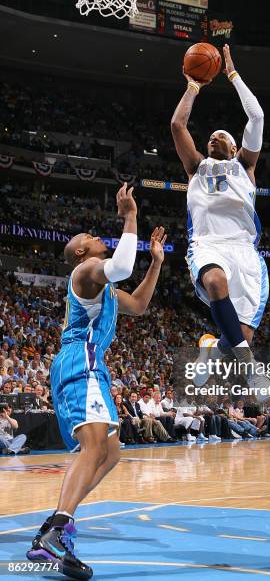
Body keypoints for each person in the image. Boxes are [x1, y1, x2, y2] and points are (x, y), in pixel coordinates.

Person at [26, 183, 166, 579]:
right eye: (86, 237)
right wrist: (130, 217)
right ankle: (56, 529)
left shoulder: (104, 290)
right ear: (83, 252)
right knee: (93, 446)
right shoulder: (84, 271)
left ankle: (57, 528)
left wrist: (154, 262)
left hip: (92, 365)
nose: (93, 235)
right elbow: (120, 266)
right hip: (79, 362)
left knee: (111, 452)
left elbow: (138, 305)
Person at [171, 44, 270, 397]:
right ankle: (251, 369)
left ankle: (211, 347)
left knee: (238, 338)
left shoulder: (245, 166)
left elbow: (256, 117)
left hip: (244, 250)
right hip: (208, 243)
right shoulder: (196, 166)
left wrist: (232, 74)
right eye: (211, 136)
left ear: (234, 148)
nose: (214, 137)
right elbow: (177, 124)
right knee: (214, 281)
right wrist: (193, 86)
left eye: (222, 137)